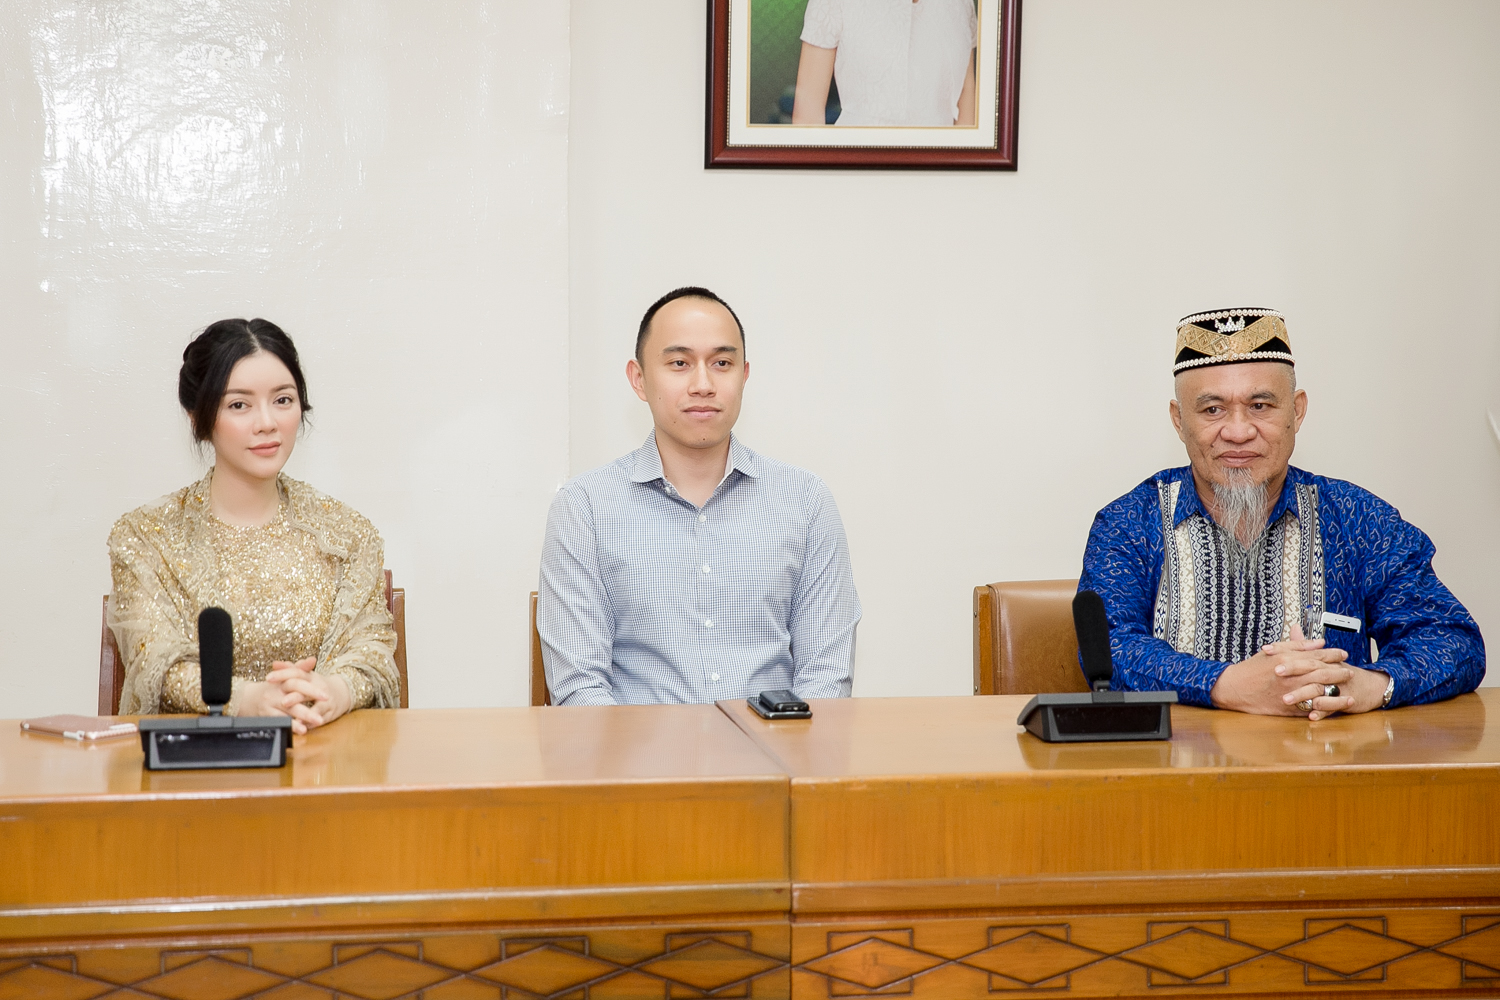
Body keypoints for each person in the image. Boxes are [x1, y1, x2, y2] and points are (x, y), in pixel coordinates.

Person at [1079, 307, 1484, 719]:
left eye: (1260, 405)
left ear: (1297, 411)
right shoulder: (1128, 524)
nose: (1238, 432)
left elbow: (1452, 640)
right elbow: (1109, 648)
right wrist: (1225, 685)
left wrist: (1373, 685)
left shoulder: (1359, 519)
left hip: (1326, 757)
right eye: (1212, 410)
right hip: (1179, 759)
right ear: (1179, 421)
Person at [538, 287, 861, 705]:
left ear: (744, 375)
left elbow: (827, 678)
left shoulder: (805, 501)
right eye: (679, 363)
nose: (703, 384)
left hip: (774, 746)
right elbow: (579, 688)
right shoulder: (584, 508)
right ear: (639, 379)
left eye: (722, 363)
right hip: (637, 749)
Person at [108, 319, 400, 731]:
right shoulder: (143, 537)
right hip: (198, 762)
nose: (267, 422)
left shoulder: (347, 534)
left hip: (323, 755)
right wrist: (247, 700)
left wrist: (334, 691)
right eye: (239, 405)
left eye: (282, 400)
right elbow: (154, 662)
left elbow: (370, 651)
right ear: (197, 416)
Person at [791, 0, 978, 127]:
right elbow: (807, 115)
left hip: (940, 167)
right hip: (857, 165)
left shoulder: (962, 4)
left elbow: (967, 110)